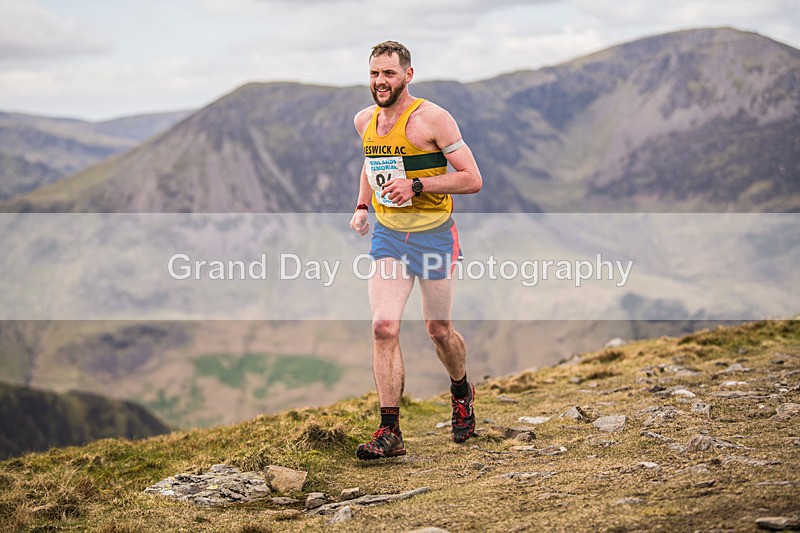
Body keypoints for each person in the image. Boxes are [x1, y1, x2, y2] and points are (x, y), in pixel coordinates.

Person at [349, 40, 483, 460]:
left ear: (407, 75)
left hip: (434, 236)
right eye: (374, 73)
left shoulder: (433, 119)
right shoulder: (364, 120)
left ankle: (461, 390)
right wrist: (362, 206)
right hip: (389, 237)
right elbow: (371, 163)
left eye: (388, 73)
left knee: (438, 330)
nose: (380, 81)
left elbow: (472, 178)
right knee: (383, 326)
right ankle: (390, 432)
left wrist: (418, 185)